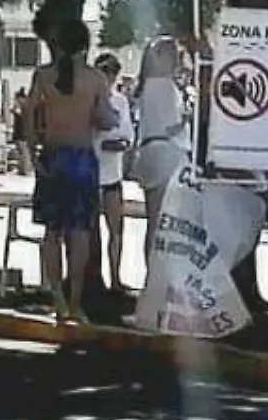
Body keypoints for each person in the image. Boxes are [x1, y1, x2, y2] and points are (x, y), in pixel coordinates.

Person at [28, 20, 113, 321]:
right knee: (79, 234)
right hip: (82, 159)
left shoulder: (43, 76)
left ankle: (57, 298)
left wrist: (32, 155)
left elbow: (28, 118)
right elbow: (105, 118)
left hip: (52, 156)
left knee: (52, 232)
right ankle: (75, 302)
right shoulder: (96, 79)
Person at [132, 37, 190, 269]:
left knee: (153, 221)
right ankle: (161, 274)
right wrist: (188, 117)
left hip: (148, 150)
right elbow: (172, 126)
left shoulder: (147, 85)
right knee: (167, 223)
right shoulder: (165, 86)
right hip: (167, 152)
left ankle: (151, 274)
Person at [94, 54, 136, 292]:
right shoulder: (87, 100)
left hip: (112, 173)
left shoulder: (120, 102)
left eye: (112, 72)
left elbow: (128, 135)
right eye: (104, 71)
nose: (108, 77)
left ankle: (115, 278)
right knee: (90, 233)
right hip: (91, 173)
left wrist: (120, 144)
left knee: (116, 229)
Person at [10, 88, 32, 175]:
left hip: (22, 132)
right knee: (22, 151)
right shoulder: (24, 107)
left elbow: (17, 113)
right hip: (20, 131)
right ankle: (23, 168)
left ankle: (25, 169)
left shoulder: (24, 108)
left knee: (23, 151)